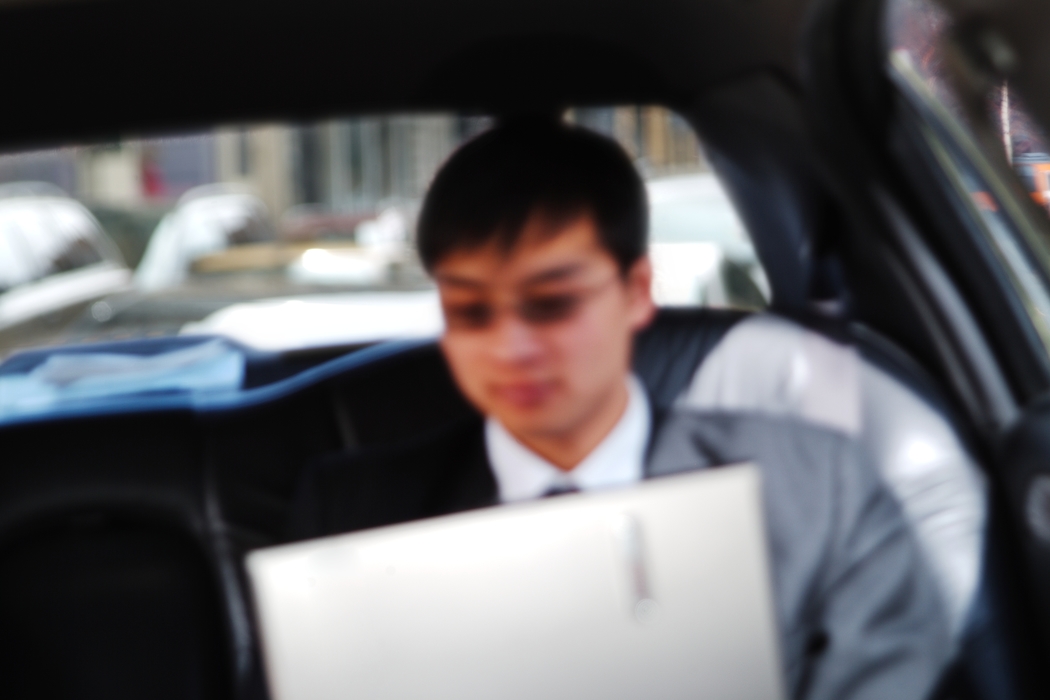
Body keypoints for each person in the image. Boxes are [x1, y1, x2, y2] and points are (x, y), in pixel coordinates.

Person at [288, 117, 951, 700]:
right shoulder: (352, 516)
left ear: (636, 291)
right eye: (470, 311)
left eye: (551, 304)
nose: (509, 347)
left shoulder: (814, 486)